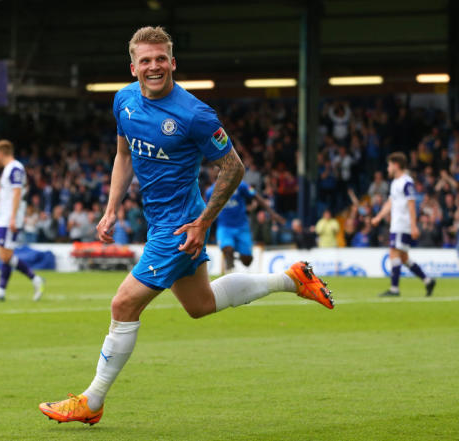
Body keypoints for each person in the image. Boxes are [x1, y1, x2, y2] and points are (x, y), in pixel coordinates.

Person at [38, 26, 333, 426]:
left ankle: (92, 400)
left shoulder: (194, 114)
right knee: (200, 305)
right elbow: (123, 155)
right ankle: (292, 279)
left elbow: (234, 167)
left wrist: (202, 221)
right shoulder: (123, 100)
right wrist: (111, 210)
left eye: (161, 58)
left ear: (173, 62)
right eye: (146, 60)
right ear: (134, 67)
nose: (154, 66)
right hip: (159, 220)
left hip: (180, 226)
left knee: (123, 304)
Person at [0, 140, 44, 302]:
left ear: (1, 153)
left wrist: (13, 217)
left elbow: (17, 193)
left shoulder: (15, 168)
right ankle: (1, 291)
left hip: (9, 218)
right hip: (5, 217)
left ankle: (35, 279)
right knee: (5, 255)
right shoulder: (9, 169)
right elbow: (7, 194)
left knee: (5, 255)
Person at [371, 152, 436, 297]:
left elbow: (411, 204)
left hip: (402, 225)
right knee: (404, 257)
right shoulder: (395, 183)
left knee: (393, 253)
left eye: (389, 165)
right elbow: (390, 202)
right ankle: (428, 281)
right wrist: (379, 216)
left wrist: (413, 226)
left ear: (396, 165)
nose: (387, 168)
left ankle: (394, 289)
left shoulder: (406, 182)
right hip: (397, 224)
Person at [205, 169, 284, 271]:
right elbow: (209, 211)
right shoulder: (210, 192)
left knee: (247, 261)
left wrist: (272, 213)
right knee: (227, 249)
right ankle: (230, 270)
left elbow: (255, 195)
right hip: (225, 227)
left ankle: (236, 253)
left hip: (242, 226)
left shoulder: (241, 185)